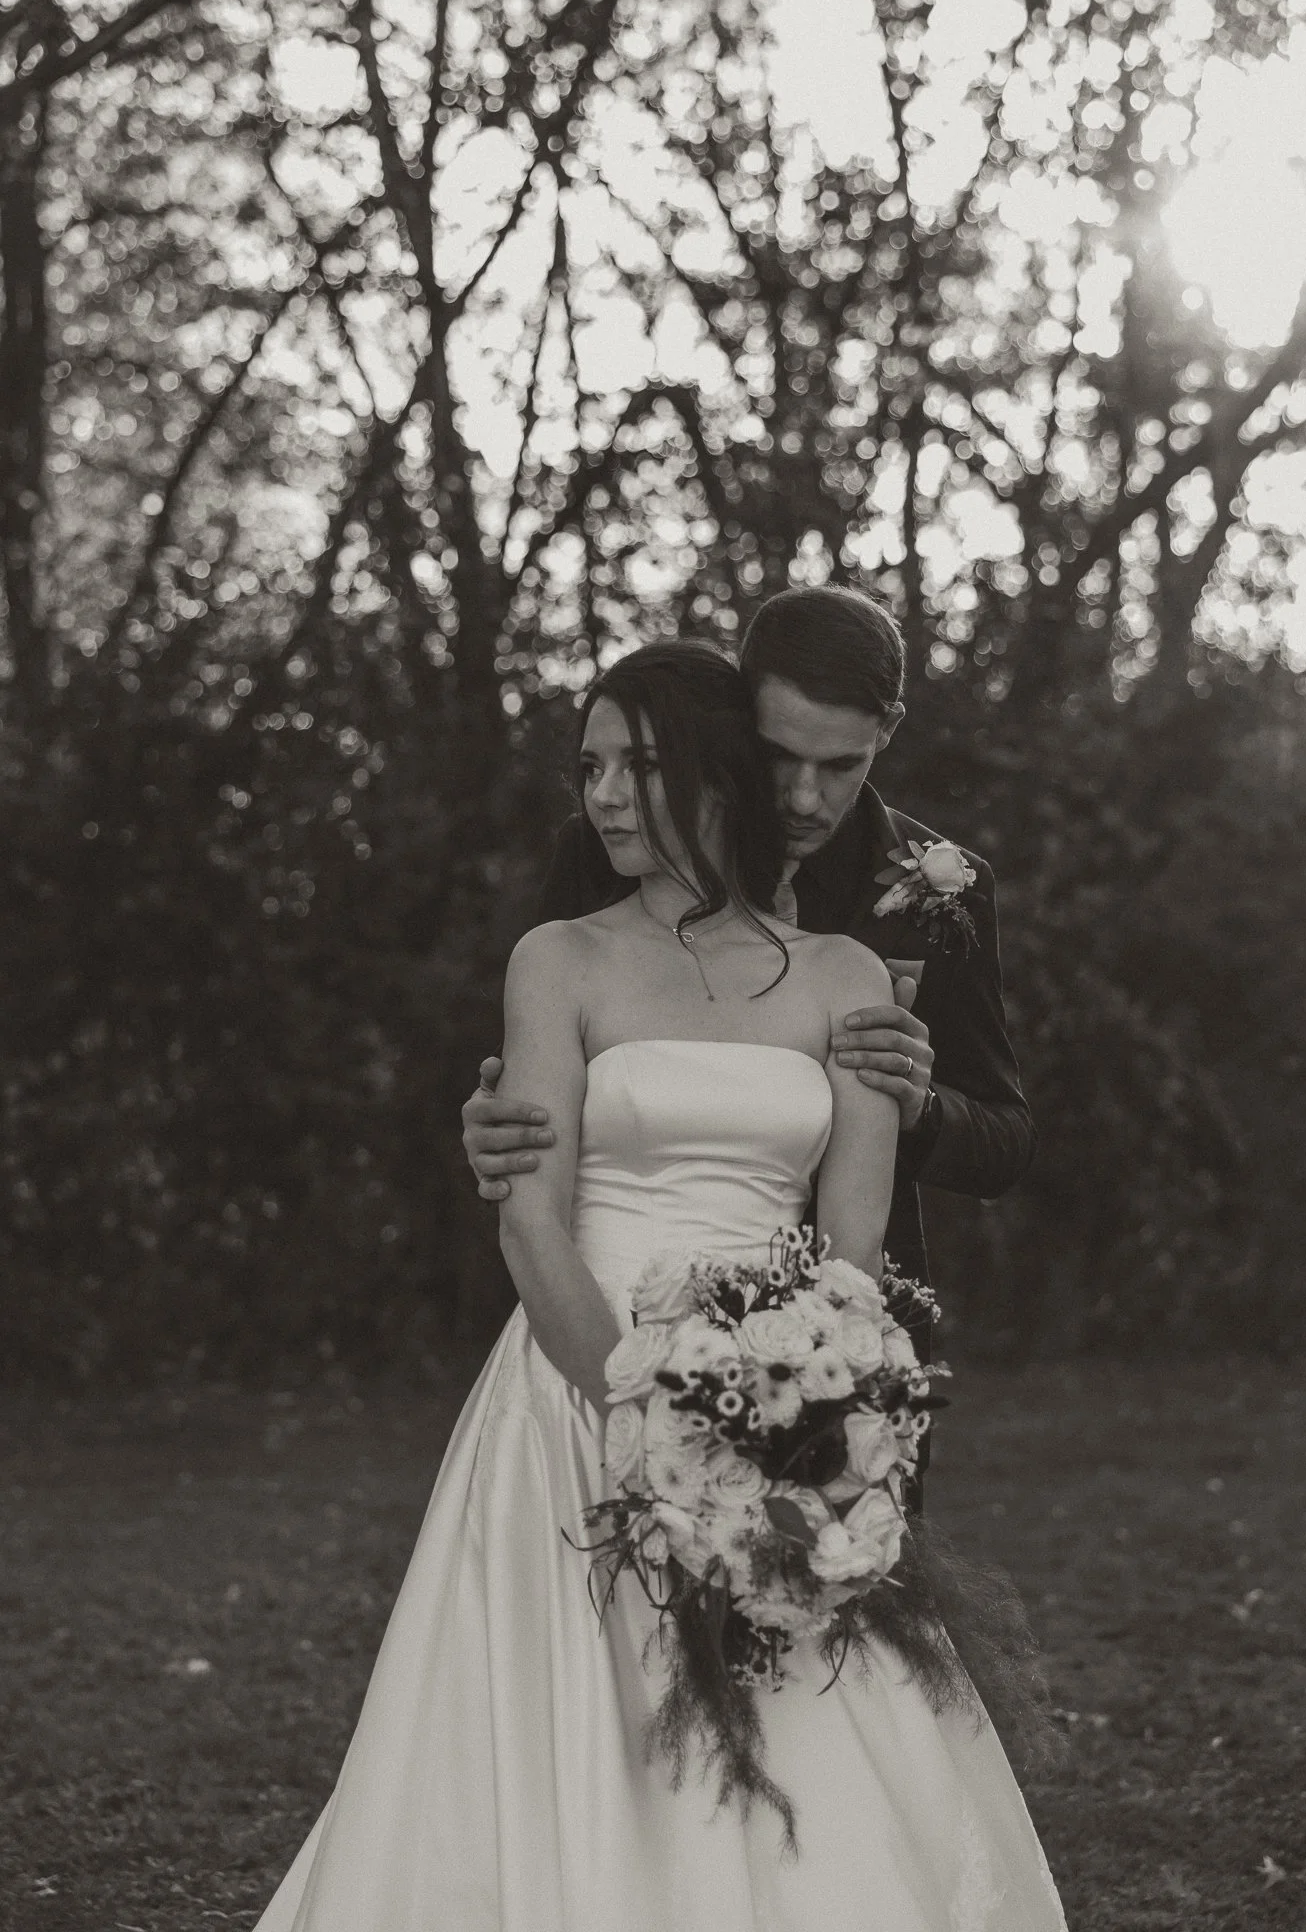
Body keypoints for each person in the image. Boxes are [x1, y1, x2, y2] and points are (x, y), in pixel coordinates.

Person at [252, 640, 1065, 1932]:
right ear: (747, 746)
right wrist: (641, 1412)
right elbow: (533, 1187)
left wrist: (792, 1415)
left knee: (793, 1709)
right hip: (575, 1385)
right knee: (555, 1716)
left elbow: (862, 1241)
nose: (804, 796)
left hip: (783, 1387)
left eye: (635, 766)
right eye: (589, 769)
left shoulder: (882, 942)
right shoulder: (565, 936)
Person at [464, 586, 1035, 1354]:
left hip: (839, 1348)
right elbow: (548, 1063)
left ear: (887, 730)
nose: (805, 798)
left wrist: (919, 1106)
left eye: (840, 765)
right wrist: (494, 1123)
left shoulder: (941, 887)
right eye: (778, 757)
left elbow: (1005, 1143)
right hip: (617, 1325)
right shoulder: (604, 852)